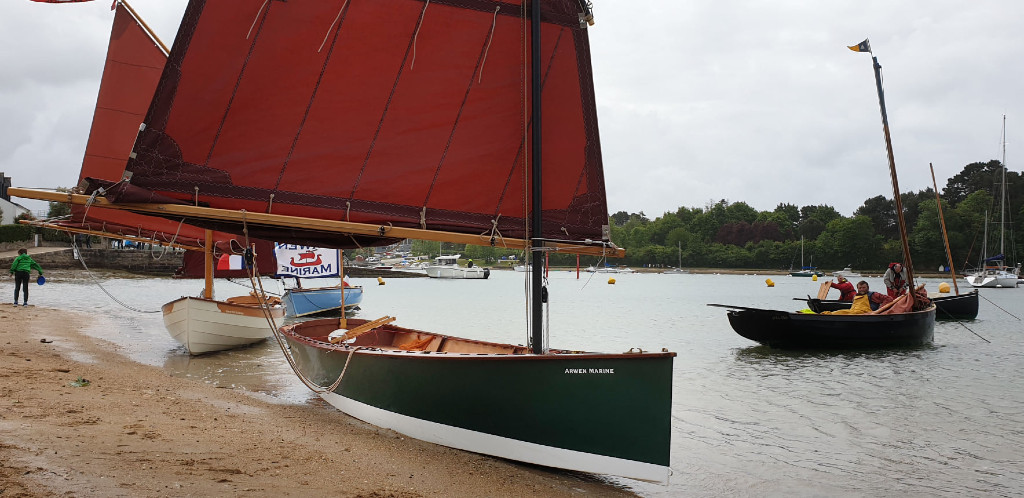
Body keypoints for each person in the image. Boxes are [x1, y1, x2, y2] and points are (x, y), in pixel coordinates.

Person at [823, 280, 893, 315]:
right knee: (834, 313)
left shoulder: (874, 295)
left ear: (867, 288)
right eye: (860, 288)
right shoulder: (855, 296)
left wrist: (879, 310)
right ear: (857, 288)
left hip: (865, 314)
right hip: (852, 313)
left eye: (864, 287)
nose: (862, 289)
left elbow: (889, 299)